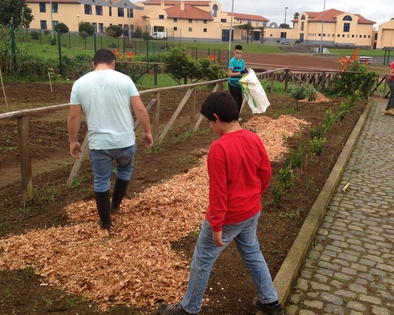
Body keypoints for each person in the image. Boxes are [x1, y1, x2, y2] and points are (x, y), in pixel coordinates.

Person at [157, 92, 283, 315]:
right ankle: (270, 301)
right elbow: (266, 173)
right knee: (253, 252)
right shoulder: (253, 138)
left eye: (208, 122)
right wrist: (255, 194)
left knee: (203, 259)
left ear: (216, 117)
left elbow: (218, 193)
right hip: (251, 211)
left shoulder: (219, 148)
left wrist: (216, 226)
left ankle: (189, 308)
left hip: (229, 217)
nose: (209, 127)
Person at [67, 49, 153, 230]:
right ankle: (115, 206)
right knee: (124, 170)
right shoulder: (125, 80)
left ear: (93, 64)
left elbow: (74, 117)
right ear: (113, 63)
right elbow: (140, 109)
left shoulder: (79, 84)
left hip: (99, 143)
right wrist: (147, 131)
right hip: (125, 140)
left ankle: (105, 222)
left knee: (101, 179)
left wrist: (73, 141)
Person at [228, 44, 248, 112]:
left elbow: (244, 70)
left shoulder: (242, 61)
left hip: (239, 84)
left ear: (241, 53)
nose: (238, 54)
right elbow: (230, 74)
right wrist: (240, 72)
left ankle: (236, 117)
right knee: (235, 102)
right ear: (234, 52)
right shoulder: (232, 61)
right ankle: (233, 118)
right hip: (233, 84)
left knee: (240, 101)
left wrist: (246, 72)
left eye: (239, 53)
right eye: (237, 53)